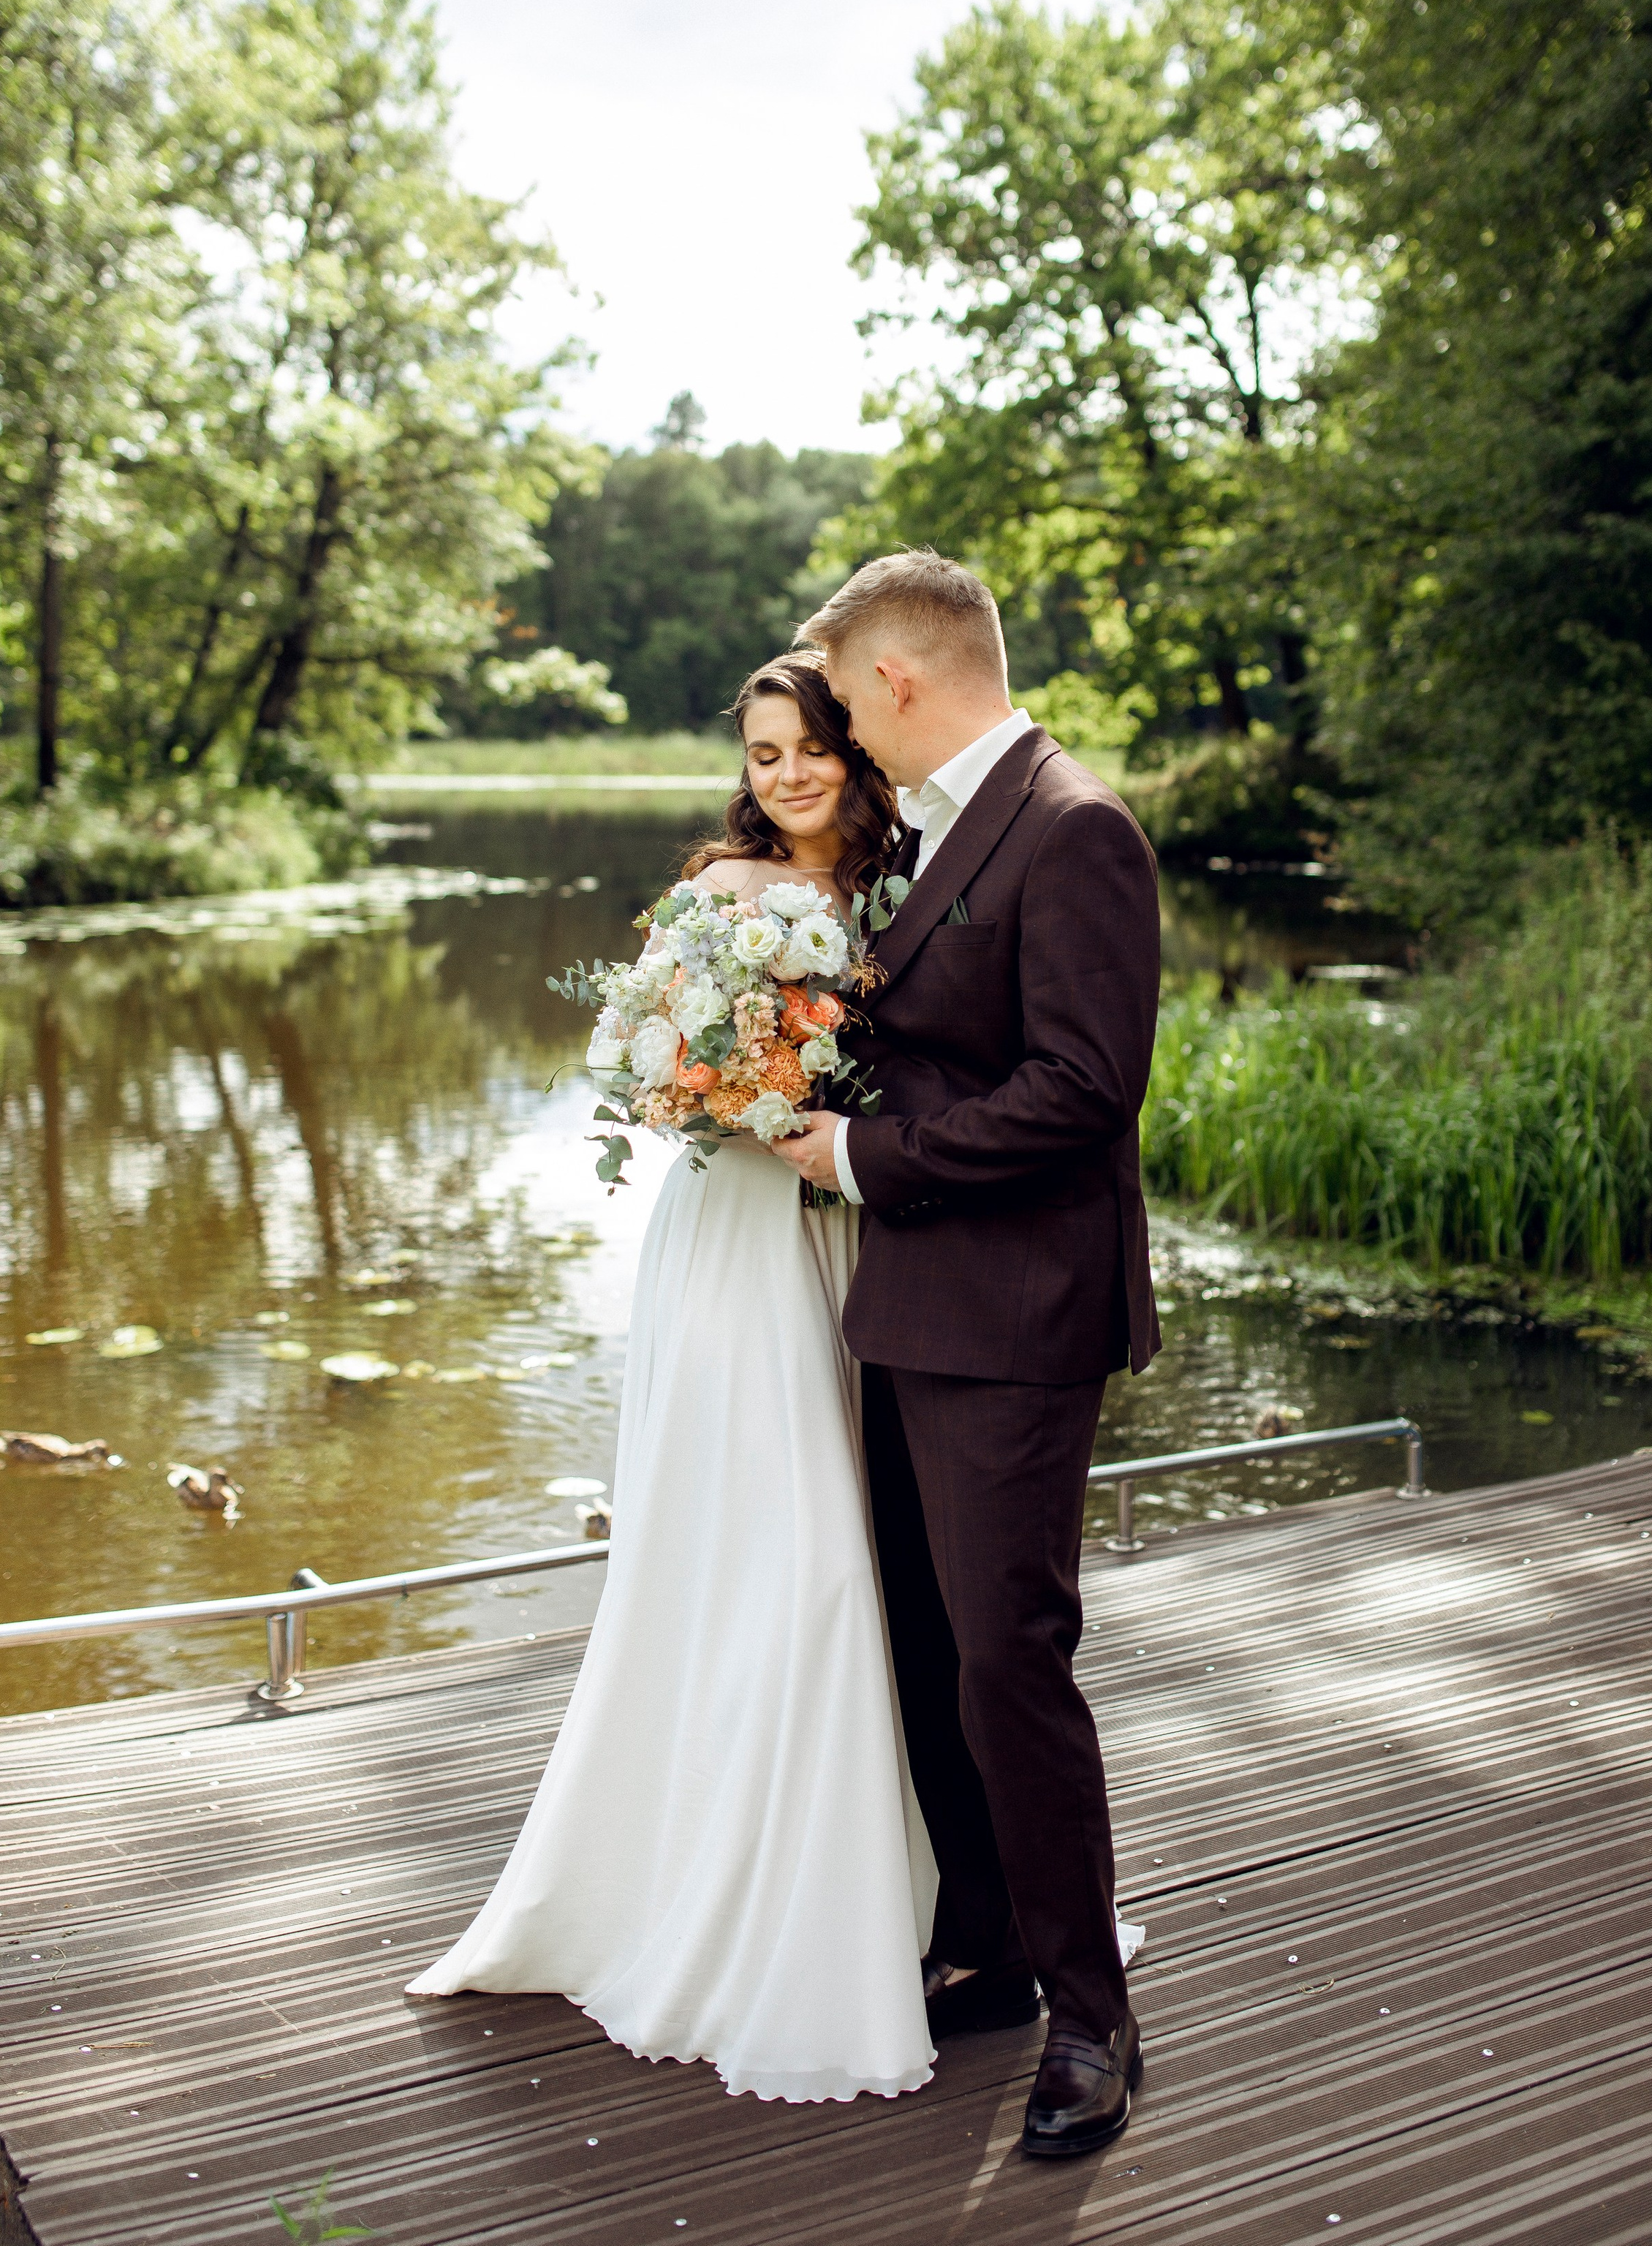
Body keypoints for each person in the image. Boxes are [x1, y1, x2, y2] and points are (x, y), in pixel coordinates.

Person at [406, 653, 939, 2104]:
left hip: (841, 1238)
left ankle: (884, 1887)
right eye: (763, 752)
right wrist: (721, 1076)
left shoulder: (902, 894)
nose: (786, 776)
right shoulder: (715, 892)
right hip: (730, 1246)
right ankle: (710, 1890)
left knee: (857, 1551)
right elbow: (634, 1070)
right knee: (772, 1549)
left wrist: (820, 1094)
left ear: (853, 751)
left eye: (809, 748)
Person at [770, 549, 1160, 2161]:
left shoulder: (1072, 830)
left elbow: (1081, 1090)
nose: (845, 733)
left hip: (1010, 1323)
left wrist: (861, 1163)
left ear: (903, 680)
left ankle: (1092, 2016)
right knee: (930, 1651)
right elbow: (931, 1035)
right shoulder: (935, 832)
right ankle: (991, 1950)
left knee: (1011, 1660)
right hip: (910, 1313)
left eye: (850, 699)